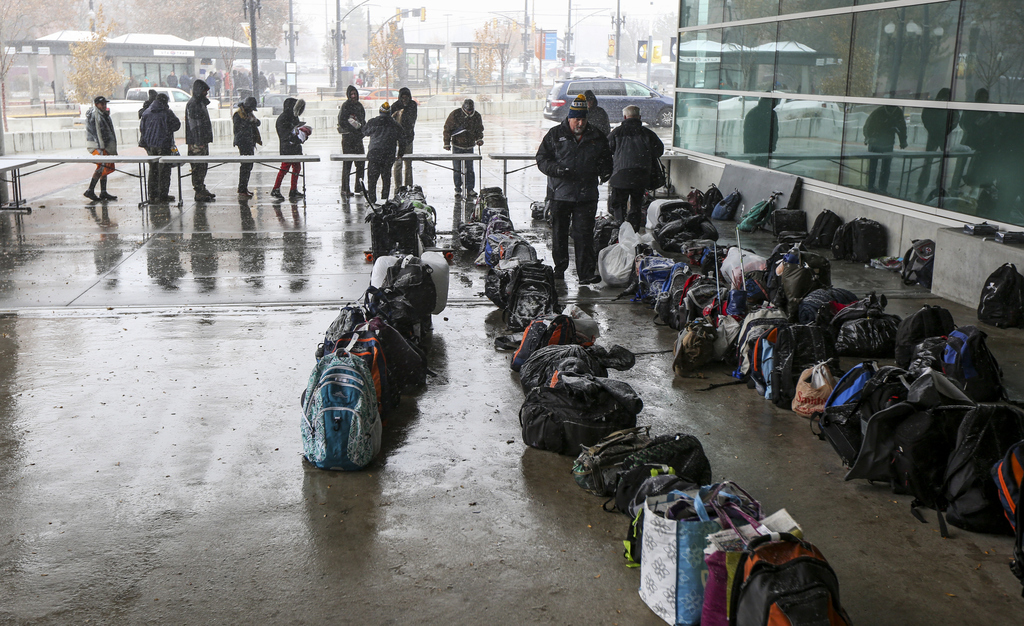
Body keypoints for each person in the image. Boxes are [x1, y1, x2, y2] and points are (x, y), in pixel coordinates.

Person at [535, 94, 612, 284]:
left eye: (583, 118)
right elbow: (542, 159)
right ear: (569, 118)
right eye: (576, 118)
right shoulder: (554, 135)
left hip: (586, 195)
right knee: (559, 234)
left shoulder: (596, 136)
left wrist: (605, 171)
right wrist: (557, 170)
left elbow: (607, 159)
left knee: (584, 234)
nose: (580, 123)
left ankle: (585, 274)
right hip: (560, 194)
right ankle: (559, 269)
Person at [607, 105, 665, 231]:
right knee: (636, 205)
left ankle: (620, 229)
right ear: (639, 117)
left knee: (618, 205)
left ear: (624, 117)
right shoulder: (648, 133)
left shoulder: (616, 133)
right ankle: (634, 231)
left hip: (620, 176)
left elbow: (606, 150)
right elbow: (659, 151)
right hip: (641, 176)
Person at [917, 88, 959, 199]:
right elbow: (955, 119)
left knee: (930, 162)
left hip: (938, 135)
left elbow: (925, 117)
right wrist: (945, 130)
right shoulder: (945, 106)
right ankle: (929, 186)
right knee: (935, 162)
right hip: (940, 135)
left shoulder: (934, 105)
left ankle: (927, 186)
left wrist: (935, 130)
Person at [139, 93, 181, 203]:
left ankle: (152, 195)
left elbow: (142, 129)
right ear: (165, 102)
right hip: (164, 145)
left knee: (153, 170)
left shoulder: (146, 112)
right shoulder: (166, 112)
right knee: (164, 171)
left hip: (150, 146)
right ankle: (163, 195)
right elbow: (177, 125)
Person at [362, 101, 404, 205]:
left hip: (374, 154)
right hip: (388, 155)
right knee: (386, 179)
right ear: (390, 113)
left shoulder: (373, 122)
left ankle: (372, 200)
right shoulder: (395, 125)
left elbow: (364, 132)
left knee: (372, 180)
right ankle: (384, 200)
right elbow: (403, 139)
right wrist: (400, 153)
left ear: (380, 112)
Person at [443, 98, 484, 198]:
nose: (469, 112)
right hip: (457, 145)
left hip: (470, 146)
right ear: (463, 108)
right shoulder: (455, 114)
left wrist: (479, 138)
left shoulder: (477, 116)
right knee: (457, 169)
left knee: (470, 169)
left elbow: (479, 129)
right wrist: (447, 143)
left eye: (471, 111)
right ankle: (457, 189)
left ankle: (470, 189)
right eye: (467, 111)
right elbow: (447, 129)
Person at [862, 104, 907, 194]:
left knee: (885, 168)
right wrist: (868, 138)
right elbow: (867, 126)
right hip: (875, 143)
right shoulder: (878, 112)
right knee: (872, 167)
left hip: (888, 143)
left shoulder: (897, 112)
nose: (891, 109)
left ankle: (882, 188)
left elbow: (902, 127)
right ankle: (870, 186)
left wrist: (903, 141)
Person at [185, 79, 216, 201]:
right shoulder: (193, 104)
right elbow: (194, 125)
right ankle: (198, 190)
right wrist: (199, 142)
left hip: (202, 140)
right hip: (197, 142)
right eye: (204, 91)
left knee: (203, 166)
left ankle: (201, 188)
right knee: (198, 167)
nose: (206, 94)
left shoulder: (199, 103)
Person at [84, 96, 118, 202]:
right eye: (102, 104)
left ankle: (103, 192)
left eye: (105, 104)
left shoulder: (103, 114)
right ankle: (90, 190)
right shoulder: (95, 115)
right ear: (96, 104)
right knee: (101, 166)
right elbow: (98, 132)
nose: (104, 106)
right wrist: (102, 147)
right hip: (97, 145)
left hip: (103, 145)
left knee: (104, 167)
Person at [272, 97, 307, 200]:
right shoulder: (283, 119)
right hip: (287, 148)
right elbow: (284, 135)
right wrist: (295, 137)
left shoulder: (292, 117)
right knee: (284, 168)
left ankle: (293, 189)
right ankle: (276, 189)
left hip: (294, 147)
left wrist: (302, 135)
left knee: (296, 168)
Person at [337, 85, 366, 198]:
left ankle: (359, 187)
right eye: (351, 94)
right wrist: (352, 128)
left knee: (360, 164)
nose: (353, 96)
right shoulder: (345, 106)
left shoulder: (359, 106)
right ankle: (345, 188)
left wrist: (361, 129)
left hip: (358, 139)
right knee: (347, 164)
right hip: (348, 139)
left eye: (355, 94)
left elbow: (363, 121)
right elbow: (342, 122)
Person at [232, 96, 262, 197]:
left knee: (249, 166)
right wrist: (248, 122)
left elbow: (258, 123)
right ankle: (242, 189)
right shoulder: (238, 115)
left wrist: (253, 120)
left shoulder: (248, 113)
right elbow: (238, 130)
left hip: (250, 142)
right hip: (243, 143)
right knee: (245, 166)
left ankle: (244, 187)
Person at [390, 87, 418, 189]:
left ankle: (408, 186)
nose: (404, 99)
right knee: (398, 164)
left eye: (406, 97)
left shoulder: (412, 105)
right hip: (397, 140)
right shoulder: (395, 106)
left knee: (408, 164)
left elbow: (411, 120)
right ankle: (398, 187)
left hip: (408, 138)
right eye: (403, 97)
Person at [742, 97, 778, 168]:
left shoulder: (754, 113)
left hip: (761, 149)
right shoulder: (756, 113)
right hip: (758, 150)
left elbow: (747, 135)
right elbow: (749, 134)